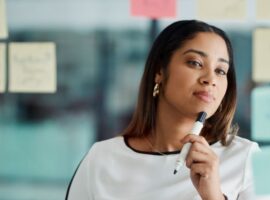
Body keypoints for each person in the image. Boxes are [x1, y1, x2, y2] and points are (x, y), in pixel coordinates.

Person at [65, 20, 259, 200]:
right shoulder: (101, 158)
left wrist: (214, 196)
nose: (210, 79)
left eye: (220, 71)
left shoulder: (246, 159)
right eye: (195, 63)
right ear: (159, 71)